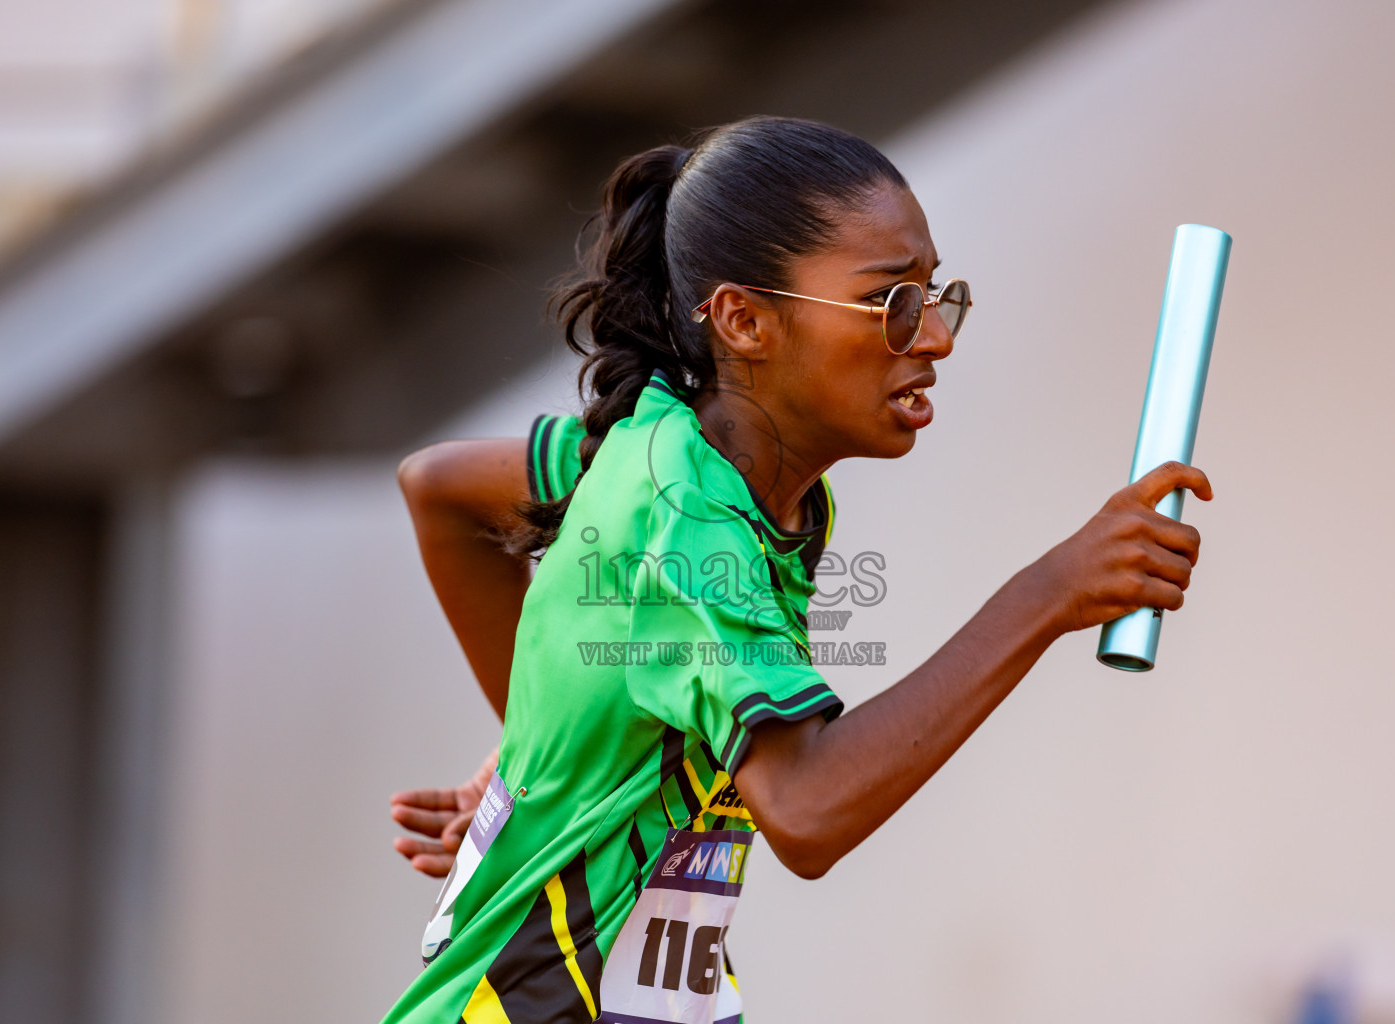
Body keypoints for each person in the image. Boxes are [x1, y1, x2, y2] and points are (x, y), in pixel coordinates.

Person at [383, 116, 1210, 1024]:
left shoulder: (683, 453)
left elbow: (442, 487)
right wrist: (1048, 594)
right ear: (744, 319)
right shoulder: (687, 516)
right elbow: (808, 811)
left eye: (938, 295)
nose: (934, 337)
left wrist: (548, 758)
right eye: (892, 302)